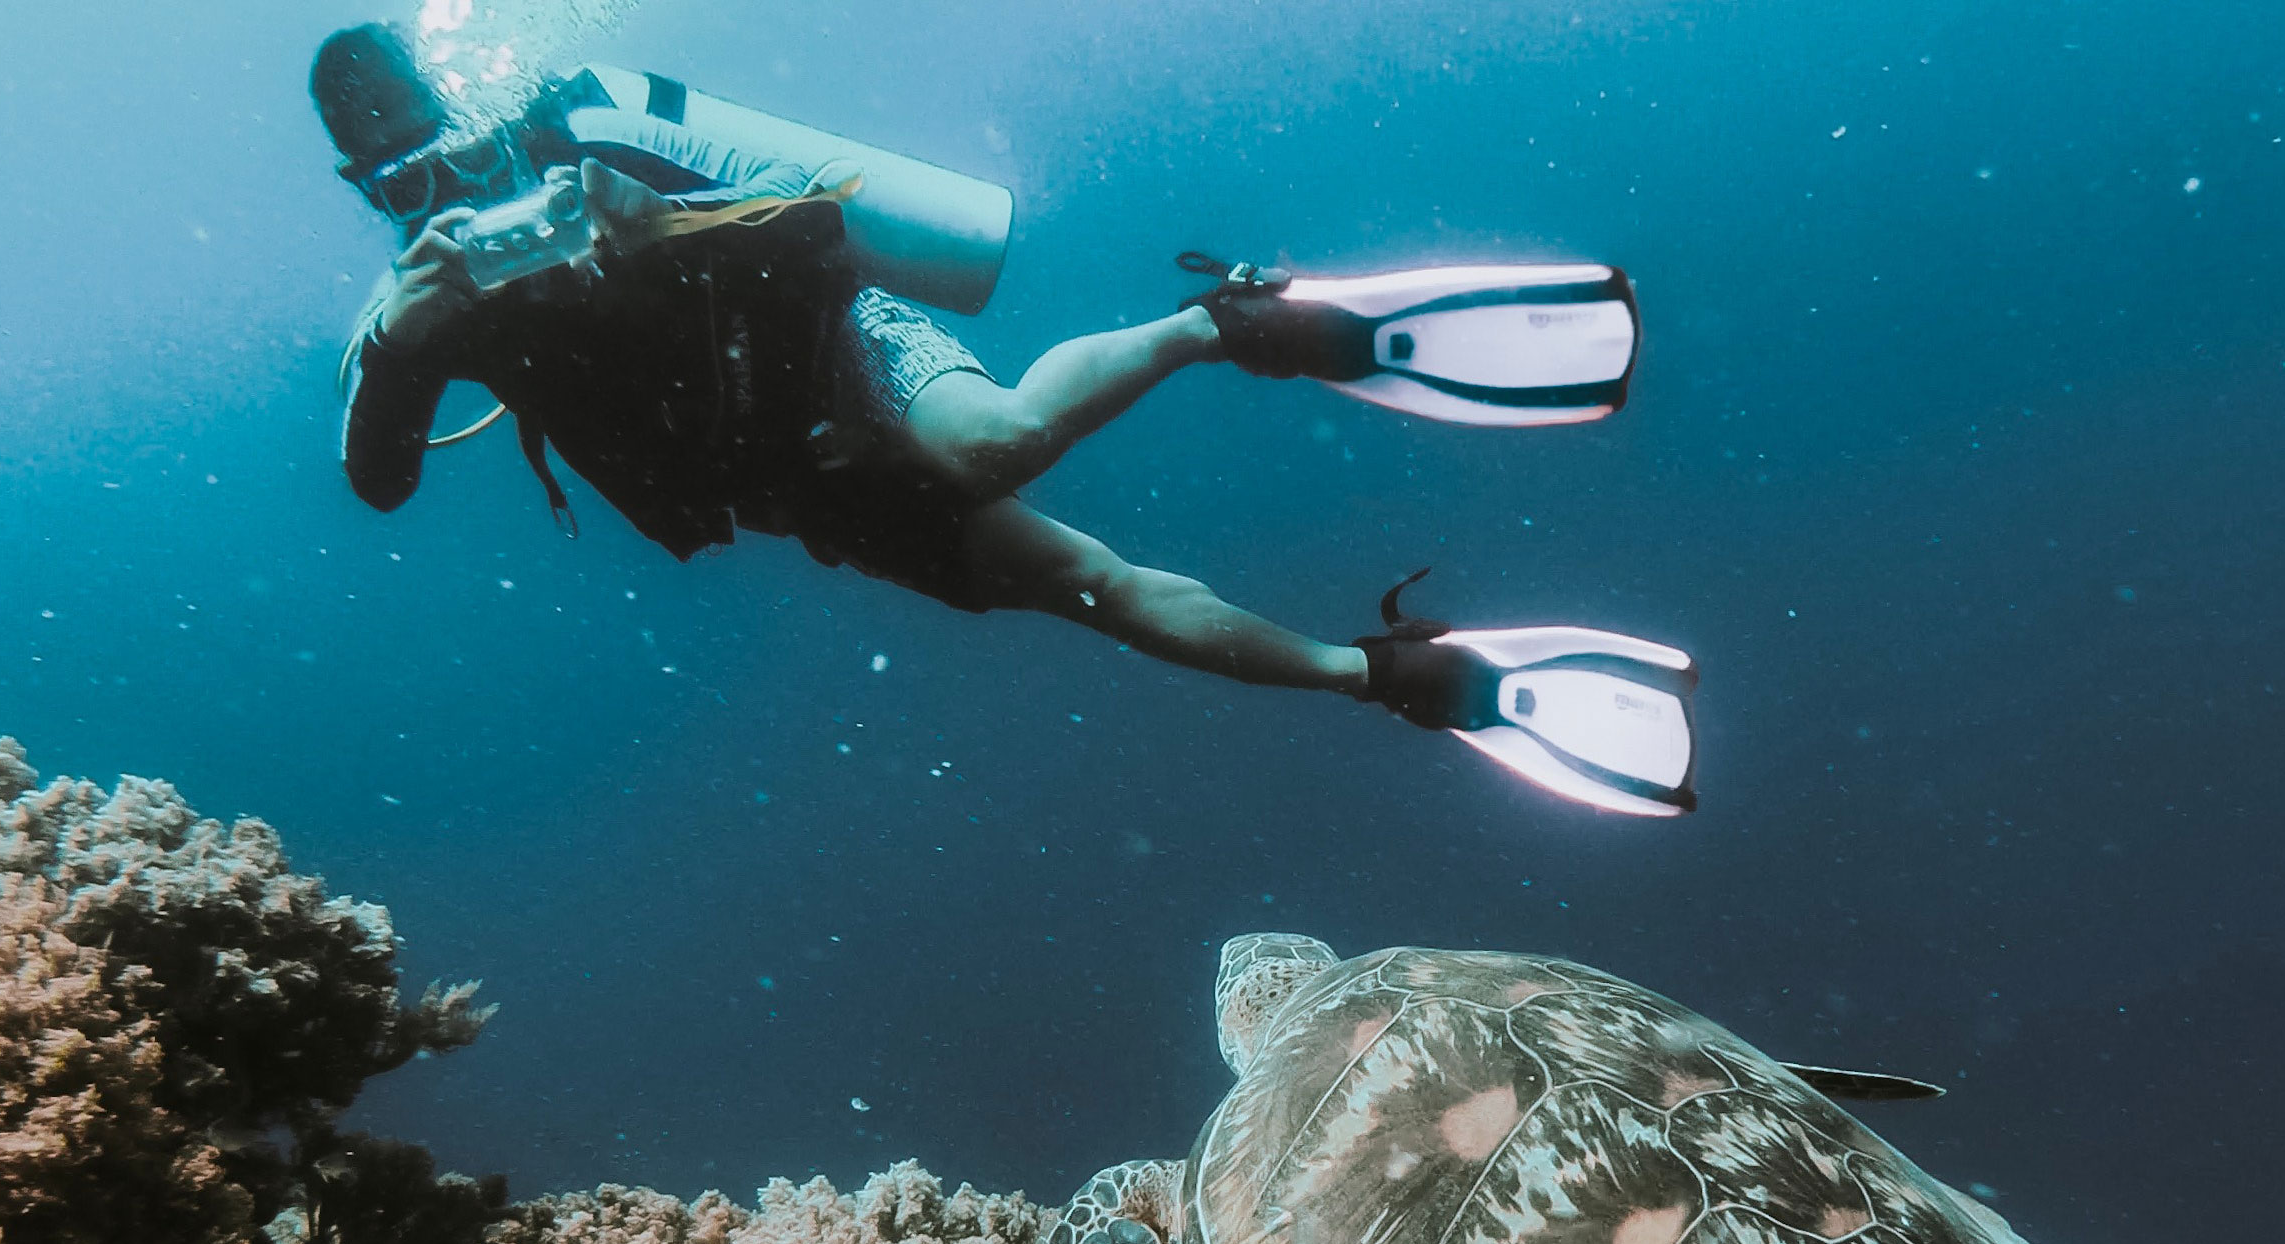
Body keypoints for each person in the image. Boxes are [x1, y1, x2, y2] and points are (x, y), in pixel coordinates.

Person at [314, 25, 1701, 808]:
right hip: (799, 486)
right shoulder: (414, 313)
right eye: (390, 186)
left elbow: (789, 227)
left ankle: (1230, 325)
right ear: (360, 189)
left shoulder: (578, 139)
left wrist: (625, 220)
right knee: (1088, 588)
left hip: (837, 340)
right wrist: (404, 348)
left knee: (993, 441)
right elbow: (375, 485)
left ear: (460, 109)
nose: (431, 197)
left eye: (434, 152)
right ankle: (1390, 674)